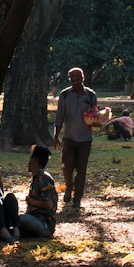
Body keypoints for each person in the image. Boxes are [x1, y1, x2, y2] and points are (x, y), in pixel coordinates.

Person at [53, 67, 100, 214]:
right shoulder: (65, 94)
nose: (76, 83)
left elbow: (95, 115)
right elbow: (60, 116)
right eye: (72, 80)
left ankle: (77, 198)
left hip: (85, 138)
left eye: (78, 79)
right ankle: (69, 187)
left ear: (83, 78)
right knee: (67, 167)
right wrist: (56, 137)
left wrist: (99, 120)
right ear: (69, 80)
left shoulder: (91, 95)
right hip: (69, 137)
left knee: (81, 170)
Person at [11, 144, 58, 240]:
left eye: (30, 160)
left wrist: (31, 201)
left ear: (34, 162)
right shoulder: (36, 179)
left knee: (22, 219)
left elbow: (48, 204)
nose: (28, 163)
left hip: (44, 223)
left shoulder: (43, 179)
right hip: (35, 218)